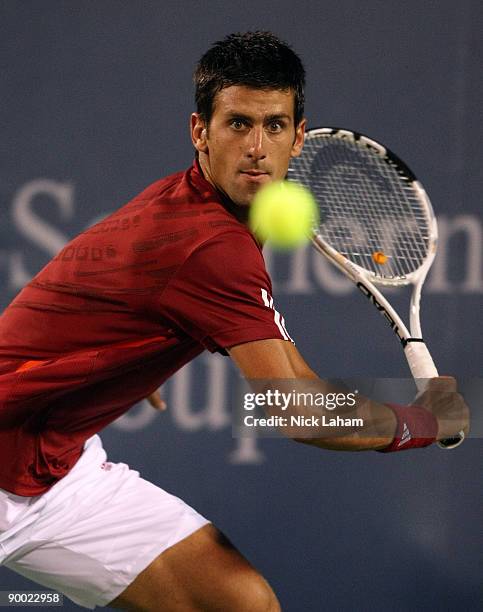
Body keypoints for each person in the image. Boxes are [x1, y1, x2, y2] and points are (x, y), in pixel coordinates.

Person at [0, 31, 468, 611]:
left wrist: (115, 364)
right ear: (200, 131)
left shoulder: (203, 208)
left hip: (53, 463)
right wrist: (420, 419)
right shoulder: (210, 248)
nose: (256, 146)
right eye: (237, 124)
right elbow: (295, 410)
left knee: (239, 603)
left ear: (298, 138)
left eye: (274, 125)